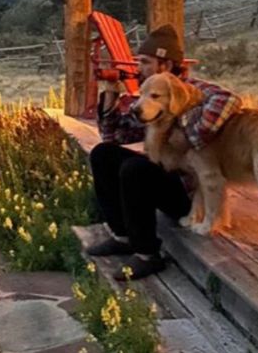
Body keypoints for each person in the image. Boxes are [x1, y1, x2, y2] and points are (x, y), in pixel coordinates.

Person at [88, 23, 241, 281]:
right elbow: (115, 136)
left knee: (135, 169)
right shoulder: (150, 93)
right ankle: (123, 236)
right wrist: (111, 96)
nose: (139, 68)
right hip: (166, 177)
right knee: (103, 153)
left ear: (166, 65)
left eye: (145, 62)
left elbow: (229, 99)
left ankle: (148, 255)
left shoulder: (190, 90)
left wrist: (190, 136)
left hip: (190, 192)